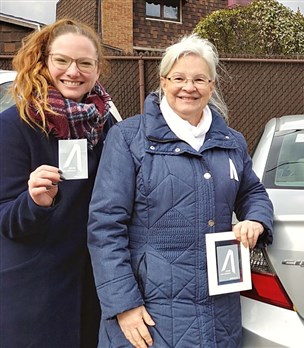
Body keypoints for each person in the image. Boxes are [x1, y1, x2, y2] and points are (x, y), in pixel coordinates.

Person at [87, 34, 274, 348]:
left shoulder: (231, 141)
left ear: (212, 85)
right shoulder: (128, 139)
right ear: (163, 81)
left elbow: (252, 192)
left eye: (200, 79)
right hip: (149, 311)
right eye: (179, 78)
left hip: (217, 311)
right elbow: (105, 227)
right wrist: (124, 305)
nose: (189, 87)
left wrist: (256, 220)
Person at [0, 19, 118, 347]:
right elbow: (6, 220)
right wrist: (34, 201)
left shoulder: (106, 126)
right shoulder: (14, 125)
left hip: (91, 287)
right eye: (62, 60)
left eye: (85, 63)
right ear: (44, 61)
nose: (73, 71)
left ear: (97, 69)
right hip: (34, 295)